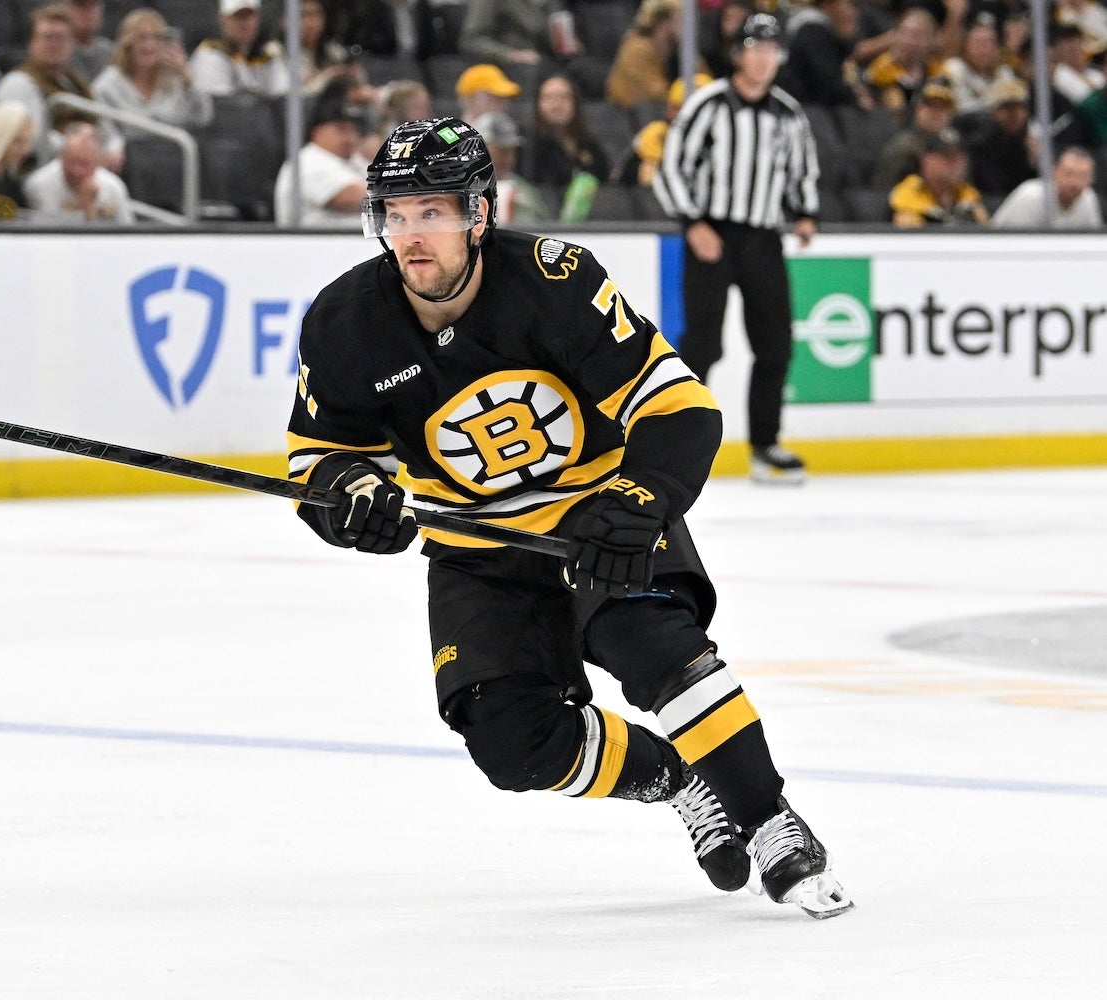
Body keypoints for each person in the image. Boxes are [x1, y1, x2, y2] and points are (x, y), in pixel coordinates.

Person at [285, 114, 853, 920]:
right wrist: (354, 503)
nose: (412, 235)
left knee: (652, 645)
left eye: (434, 212)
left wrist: (642, 497)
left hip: (596, 516)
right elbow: (320, 460)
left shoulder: (554, 280)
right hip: (474, 551)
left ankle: (770, 820)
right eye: (397, 213)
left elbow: (679, 407)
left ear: (480, 213)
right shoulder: (344, 321)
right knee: (511, 742)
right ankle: (682, 780)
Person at [654, 13, 819, 485]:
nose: (764, 60)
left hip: (763, 236)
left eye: (772, 51)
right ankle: (681, 444)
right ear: (739, 54)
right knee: (702, 343)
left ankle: (765, 445)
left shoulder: (789, 113)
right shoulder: (706, 104)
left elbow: (802, 171)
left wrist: (805, 212)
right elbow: (671, 169)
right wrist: (693, 224)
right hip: (712, 234)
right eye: (756, 49)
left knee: (775, 344)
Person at [0, 3, 125, 172]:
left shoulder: (76, 82)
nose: (55, 45)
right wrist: (84, 152)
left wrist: (114, 148)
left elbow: (103, 122)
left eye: (62, 38)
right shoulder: (19, 83)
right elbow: (34, 140)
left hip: (86, 164)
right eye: (48, 37)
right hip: (43, 169)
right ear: (31, 42)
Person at [91, 8, 212, 137]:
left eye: (157, 38)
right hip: (128, 154)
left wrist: (186, 75)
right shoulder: (108, 85)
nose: (149, 46)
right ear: (127, 44)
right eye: (141, 38)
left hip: (172, 153)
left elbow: (203, 118)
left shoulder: (175, 80)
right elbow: (106, 135)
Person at [273, 82, 368, 227]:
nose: (350, 138)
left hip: (351, 245)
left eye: (353, 130)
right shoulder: (307, 161)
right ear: (316, 132)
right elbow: (352, 197)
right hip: (311, 246)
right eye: (341, 130)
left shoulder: (352, 160)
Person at [23, 121, 133, 223]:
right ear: (61, 157)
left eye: (84, 164)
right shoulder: (40, 185)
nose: (76, 171)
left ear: (98, 163)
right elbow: (46, 234)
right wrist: (84, 209)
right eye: (72, 161)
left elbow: (127, 233)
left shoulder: (113, 187)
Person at [523, 74, 611, 189]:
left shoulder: (587, 142)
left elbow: (605, 180)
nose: (557, 105)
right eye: (549, 98)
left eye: (564, 97)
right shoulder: (529, 148)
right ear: (538, 105)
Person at [869, 76, 956, 191]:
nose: (936, 112)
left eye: (943, 106)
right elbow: (881, 193)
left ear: (950, 115)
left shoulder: (953, 150)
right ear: (917, 109)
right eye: (929, 104)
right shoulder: (901, 149)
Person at [889, 126, 989, 226]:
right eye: (946, 155)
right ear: (924, 160)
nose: (955, 161)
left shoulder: (971, 201)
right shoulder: (903, 202)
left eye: (960, 154)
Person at [189, 0, 289, 98]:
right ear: (222, 20)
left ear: (258, 18)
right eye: (237, 16)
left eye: (249, 15)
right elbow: (224, 107)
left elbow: (284, 99)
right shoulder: (209, 56)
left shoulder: (268, 58)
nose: (244, 23)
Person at [991, 146, 1102, 228]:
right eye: (1068, 174)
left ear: (1091, 180)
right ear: (1054, 172)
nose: (1074, 182)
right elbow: (1014, 243)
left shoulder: (1088, 198)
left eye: (1082, 177)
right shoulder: (1030, 196)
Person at [473, 109, 548, 225]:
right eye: (501, 151)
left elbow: (546, 228)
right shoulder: (460, 189)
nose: (509, 159)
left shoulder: (524, 191)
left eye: (512, 151)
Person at [964, 77, 1034, 199]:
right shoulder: (980, 146)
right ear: (993, 111)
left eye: (1019, 107)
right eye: (1007, 107)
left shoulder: (1031, 144)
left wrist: (1036, 163)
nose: (1014, 114)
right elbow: (990, 186)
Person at [606, 0, 684, 109]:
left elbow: (703, 82)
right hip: (634, 118)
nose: (687, 27)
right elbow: (659, 97)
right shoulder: (637, 50)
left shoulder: (674, 48)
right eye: (681, 19)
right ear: (662, 22)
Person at [458, 0, 581, 67]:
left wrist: (568, 43)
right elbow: (471, 40)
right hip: (508, 66)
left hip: (550, 61)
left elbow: (554, 35)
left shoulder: (551, 3)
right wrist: (511, 55)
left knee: (582, 68)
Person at [940, 12, 1016, 115]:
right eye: (979, 42)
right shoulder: (953, 69)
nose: (985, 49)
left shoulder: (1005, 73)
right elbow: (959, 108)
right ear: (965, 46)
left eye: (990, 42)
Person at [455, 63, 520, 123]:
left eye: (504, 98)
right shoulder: (450, 133)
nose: (502, 104)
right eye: (494, 97)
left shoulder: (506, 130)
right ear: (470, 99)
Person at [66, 0, 114, 82]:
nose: (88, 12)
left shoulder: (110, 51)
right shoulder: (58, 50)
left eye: (93, 5)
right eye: (81, 6)